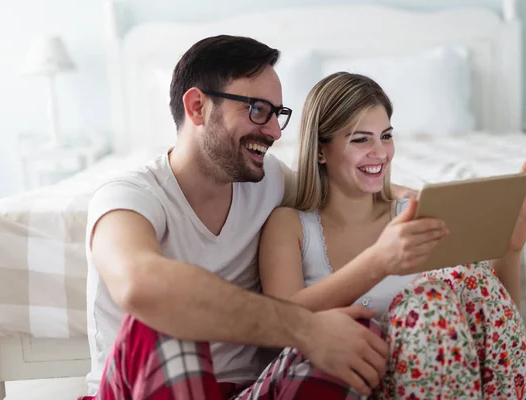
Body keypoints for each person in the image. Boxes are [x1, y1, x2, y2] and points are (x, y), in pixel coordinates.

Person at [81, 35, 416, 400]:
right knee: (167, 313)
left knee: (347, 337)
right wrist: (305, 328)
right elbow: (140, 285)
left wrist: (402, 195)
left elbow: (334, 182)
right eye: (257, 110)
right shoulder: (129, 197)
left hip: (249, 391)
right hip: (146, 388)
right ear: (197, 107)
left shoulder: (268, 179)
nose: (274, 131)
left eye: (278, 114)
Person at [258, 71, 526, 399]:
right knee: (431, 302)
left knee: (470, 278)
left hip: (444, 381)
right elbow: (276, 327)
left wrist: (510, 250)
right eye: (360, 139)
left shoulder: (415, 210)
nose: (380, 153)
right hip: (350, 382)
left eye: (386, 136)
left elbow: (494, 326)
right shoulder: (290, 225)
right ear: (321, 150)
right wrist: (378, 262)